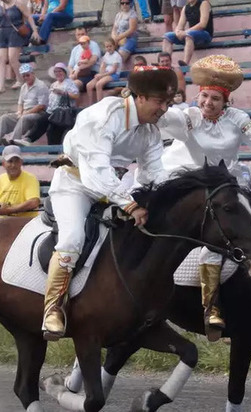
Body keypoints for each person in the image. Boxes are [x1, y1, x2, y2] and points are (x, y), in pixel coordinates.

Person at [158, 55, 251, 340]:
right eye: (205, 96)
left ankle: (223, 296)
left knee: (239, 217)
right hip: (189, 177)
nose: (208, 103)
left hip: (224, 180)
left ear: (226, 102)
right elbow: (167, 118)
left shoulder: (237, 119)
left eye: (215, 99)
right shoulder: (190, 116)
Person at [42, 66, 178, 340]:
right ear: (138, 96)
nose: (164, 108)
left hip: (115, 188)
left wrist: (174, 193)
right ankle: (53, 308)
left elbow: (154, 172)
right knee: (72, 239)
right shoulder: (103, 117)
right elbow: (96, 173)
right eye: (159, 101)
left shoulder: (150, 132)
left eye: (168, 103)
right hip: (76, 184)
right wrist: (130, 205)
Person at [0, 64, 49, 146]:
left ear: (33, 74)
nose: (26, 78)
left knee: (24, 118)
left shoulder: (41, 86)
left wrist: (26, 113)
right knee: (5, 118)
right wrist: (20, 112)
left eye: (27, 75)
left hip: (38, 114)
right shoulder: (24, 87)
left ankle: (12, 140)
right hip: (25, 112)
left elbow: (41, 106)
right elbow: (20, 103)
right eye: (24, 76)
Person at [18, 62, 79, 147]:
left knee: (49, 127)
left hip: (63, 112)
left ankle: (31, 140)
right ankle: (29, 139)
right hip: (52, 111)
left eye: (60, 71)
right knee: (45, 126)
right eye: (56, 72)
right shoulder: (54, 84)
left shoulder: (69, 83)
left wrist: (63, 92)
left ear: (64, 72)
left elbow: (76, 95)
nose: (58, 73)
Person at [0, 0, 40, 98]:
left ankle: (20, 79)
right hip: (2, 32)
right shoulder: (0, 3)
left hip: (15, 31)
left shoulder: (18, 3)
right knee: (0, 58)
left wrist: (35, 31)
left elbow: (29, 16)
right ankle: (0, 86)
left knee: (12, 58)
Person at [0, 145, 40, 217]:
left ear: (21, 162)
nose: (13, 165)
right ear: (3, 163)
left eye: (16, 161)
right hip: (4, 223)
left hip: (26, 224)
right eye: (10, 161)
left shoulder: (30, 178)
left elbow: (34, 202)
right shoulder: (1, 178)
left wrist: (9, 210)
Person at [162, 0, 214, 66]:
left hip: (205, 34)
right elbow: (180, 26)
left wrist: (186, 32)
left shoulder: (204, 3)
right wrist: (178, 32)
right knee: (167, 36)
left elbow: (203, 24)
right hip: (191, 35)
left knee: (189, 35)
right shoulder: (186, 7)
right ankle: (165, 63)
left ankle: (185, 63)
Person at [85, 39, 122, 106]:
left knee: (98, 84)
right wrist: (100, 74)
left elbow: (113, 70)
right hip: (105, 74)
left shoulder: (116, 56)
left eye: (110, 46)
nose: (108, 48)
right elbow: (103, 67)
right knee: (89, 85)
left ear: (114, 46)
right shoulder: (106, 55)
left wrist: (102, 75)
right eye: (107, 47)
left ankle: (100, 104)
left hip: (113, 75)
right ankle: (90, 105)